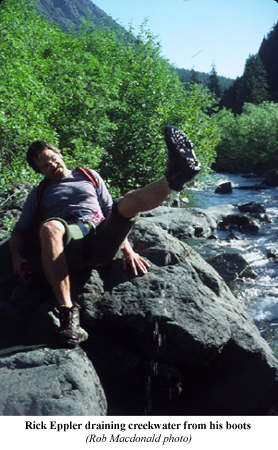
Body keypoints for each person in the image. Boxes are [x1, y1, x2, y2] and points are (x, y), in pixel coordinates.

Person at [9, 125, 201, 347]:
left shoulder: (89, 175)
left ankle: (175, 177)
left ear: (60, 154)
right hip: (70, 240)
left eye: (53, 158)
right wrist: (16, 256)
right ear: (40, 172)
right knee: (49, 227)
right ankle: (67, 314)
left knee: (126, 202)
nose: (52, 165)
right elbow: (19, 230)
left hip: (101, 236)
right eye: (45, 165)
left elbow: (112, 212)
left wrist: (128, 250)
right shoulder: (40, 192)